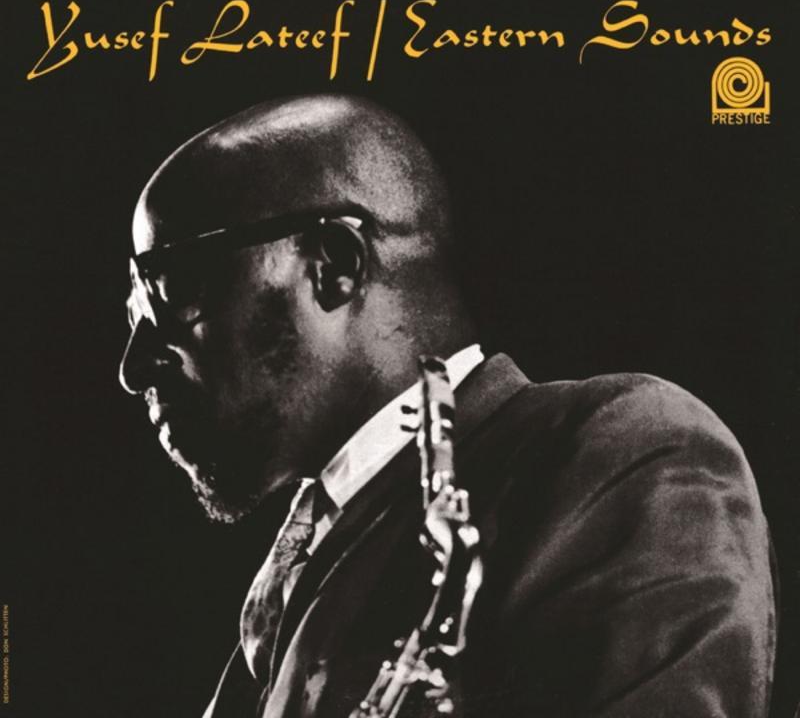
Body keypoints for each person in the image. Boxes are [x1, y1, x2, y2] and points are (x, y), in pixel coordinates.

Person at [118, 94, 776, 717]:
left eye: (170, 290)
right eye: (133, 315)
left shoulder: (623, 451)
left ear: (333, 265)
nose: (132, 366)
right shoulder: (292, 585)